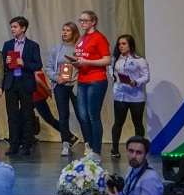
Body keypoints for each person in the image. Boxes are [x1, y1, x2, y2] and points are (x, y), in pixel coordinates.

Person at [68, 10, 111, 159]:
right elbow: (81, 57)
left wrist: (87, 61)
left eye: (85, 20)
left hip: (96, 80)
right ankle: (90, 146)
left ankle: (96, 150)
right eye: (81, 20)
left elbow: (107, 60)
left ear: (93, 22)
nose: (82, 23)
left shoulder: (99, 38)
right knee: (83, 116)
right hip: (82, 80)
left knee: (93, 116)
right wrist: (76, 63)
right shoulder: (82, 38)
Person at [1, 17, 42, 156]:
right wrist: (6, 62)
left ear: (23, 28)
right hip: (11, 82)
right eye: (11, 27)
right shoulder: (7, 44)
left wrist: (24, 64)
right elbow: (1, 65)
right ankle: (13, 144)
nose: (12, 29)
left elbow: (38, 64)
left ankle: (26, 144)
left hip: (25, 82)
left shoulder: (33, 45)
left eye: (15, 27)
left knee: (27, 115)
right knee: (12, 115)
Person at [109, 34, 150, 159]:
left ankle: (140, 149)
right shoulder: (116, 59)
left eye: (124, 44)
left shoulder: (139, 60)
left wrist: (136, 82)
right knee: (118, 122)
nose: (121, 46)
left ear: (130, 45)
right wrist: (116, 78)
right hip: (120, 94)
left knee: (137, 122)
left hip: (136, 95)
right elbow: (111, 70)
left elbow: (146, 76)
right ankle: (115, 149)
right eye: (119, 44)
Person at [46, 23, 83, 157]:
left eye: (68, 30)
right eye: (63, 30)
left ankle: (88, 144)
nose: (65, 32)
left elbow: (85, 66)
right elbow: (49, 68)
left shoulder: (79, 48)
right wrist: (57, 78)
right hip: (60, 85)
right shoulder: (57, 49)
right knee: (63, 115)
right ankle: (66, 143)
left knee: (81, 115)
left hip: (75, 85)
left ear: (74, 32)